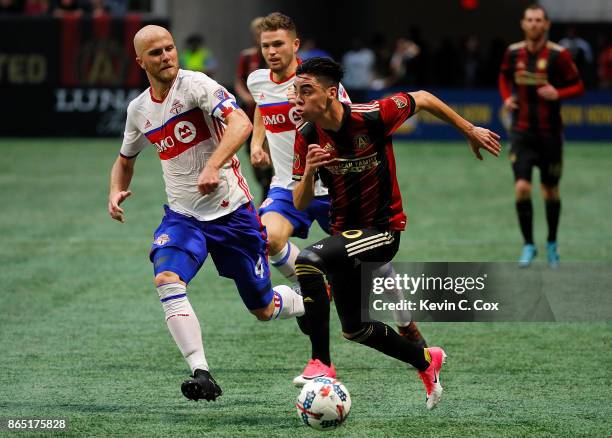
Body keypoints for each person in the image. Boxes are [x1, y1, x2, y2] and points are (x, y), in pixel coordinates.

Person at [108, 25, 305, 402]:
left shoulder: (196, 85)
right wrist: (115, 190)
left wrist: (214, 165)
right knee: (166, 278)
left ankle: (313, 296)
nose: (166, 56)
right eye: (156, 53)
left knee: (263, 309)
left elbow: (242, 123)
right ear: (141, 62)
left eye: (169, 48)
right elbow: (124, 160)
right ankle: (201, 373)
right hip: (183, 218)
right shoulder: (139, 110)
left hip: (233, 215)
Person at [291, 57, 501, 409]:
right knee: (355, 329)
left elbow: (424, 98)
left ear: (330, 94)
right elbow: (300, 202)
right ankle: (426, 360)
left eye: (306, 90)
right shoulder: (307, 136)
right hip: (346, 234)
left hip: (382, 230)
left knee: (308, 261)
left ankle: (321, 363)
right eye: (295, 91)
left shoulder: (372, 115)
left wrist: (469, 130)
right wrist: (310, 171)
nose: (297, 98)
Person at [247, 13, 426, 387]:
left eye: (278, 44)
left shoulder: (322, 86)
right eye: (266, 46)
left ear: (295, 45)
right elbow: (262, 109)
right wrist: (256, 143)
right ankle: (310, 293)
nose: (271, 52)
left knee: (373, 269)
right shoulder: (257, 80)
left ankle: (405, 322)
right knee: (267, 239)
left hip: (338, 189)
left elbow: (348, 127)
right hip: (290, 184)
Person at [499, 4, 584, 268]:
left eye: (539, 20)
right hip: (522, 132)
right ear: (523, 24)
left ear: (546, 25)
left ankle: (551, 244)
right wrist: (506, 98)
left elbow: (579, 86)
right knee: (522, 188)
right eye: (529, 20)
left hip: (550, 135)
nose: (534, 24)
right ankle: (528, 245)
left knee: (549, 191)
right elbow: (503, 77)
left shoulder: (559, 55)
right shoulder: (513, 53)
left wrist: (559, 93)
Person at [234, 16, 273, 202]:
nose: (259, 37)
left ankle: (269, 194)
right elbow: (239, 82)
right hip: (250, 116)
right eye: (256, 33)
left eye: (262, 33)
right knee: (253, 154)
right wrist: (247, 97)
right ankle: (264, 185)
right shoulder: (247, 56)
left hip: (272, 117)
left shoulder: (275, 55)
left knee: (271, 155)